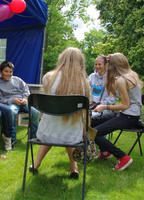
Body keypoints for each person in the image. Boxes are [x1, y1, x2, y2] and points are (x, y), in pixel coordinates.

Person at [29, 47, 91, 179]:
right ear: (80, 62)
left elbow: (47, 103)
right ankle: (73, 168)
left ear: (62, 59)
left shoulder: (48, 78)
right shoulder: (85, 83)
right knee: (67, 129)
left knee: (55, 126)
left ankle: (36, 164)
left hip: (46, 133)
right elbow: (86, 112)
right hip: (73, 137)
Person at [92, 52, 143, 171]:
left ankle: (122, 157)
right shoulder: (132, 74)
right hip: (128, 114)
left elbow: (125, 105)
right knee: (92, 122)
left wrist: (105, 107)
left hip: (129, 117)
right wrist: (113, 59)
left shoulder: (122, 80)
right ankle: (104, 152)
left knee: (95, 133)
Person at [0, 61, 40, 146]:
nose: (8, 74)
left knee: (35, 112)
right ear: (0, 71)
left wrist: (25, 98)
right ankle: (12, 138)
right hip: (11, 103)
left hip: (22, 102)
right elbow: (0, 98)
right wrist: (13, 100)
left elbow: (26, 89)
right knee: (12, 112)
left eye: (10, 72)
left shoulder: (17, 80)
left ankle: (33, 135)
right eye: (6, 71)